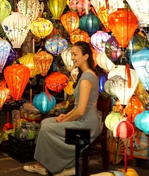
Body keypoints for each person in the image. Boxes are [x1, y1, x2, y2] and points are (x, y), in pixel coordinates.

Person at [23, 41, 100, 176]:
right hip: (82, 119)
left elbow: (81, 110)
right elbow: (79, 106)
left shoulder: (87, 77)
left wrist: (66, 120)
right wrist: (65, 116)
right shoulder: (86, 75)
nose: (72, 57)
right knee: (45, 122)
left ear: (86, 56)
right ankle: (45, 164)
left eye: (75, 54)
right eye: (72, 54)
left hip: (86, 127)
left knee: (48, 128)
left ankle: (64, 164)